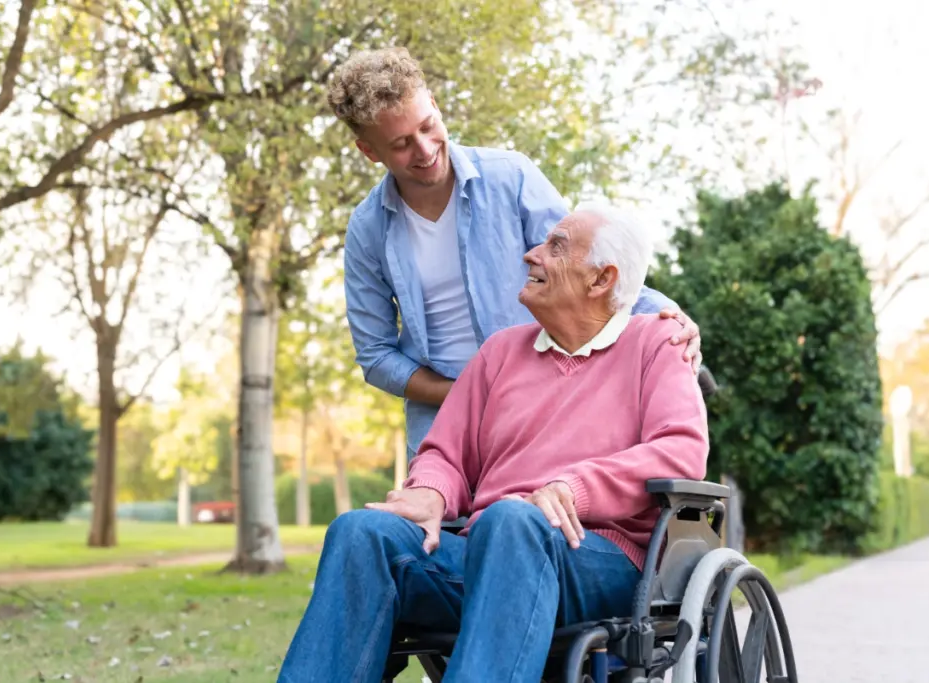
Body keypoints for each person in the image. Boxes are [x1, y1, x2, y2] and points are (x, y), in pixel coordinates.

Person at [276, 203, 710, 682]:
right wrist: (431, 491)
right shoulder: (500, 352)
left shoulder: (656, 342)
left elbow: (680, 449)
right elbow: (447, 454)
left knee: (511, 520)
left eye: (556, 247)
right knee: (362, 533)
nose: (531, 255)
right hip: (486, 549)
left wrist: (573, 488)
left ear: (600, 279)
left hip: (596, 556)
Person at [328, 46, 703, 460]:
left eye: (428, 125)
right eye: (401, 144)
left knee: (525, 519)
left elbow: (583, 269)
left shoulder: (511, 178)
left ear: (434, 105)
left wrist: (669, 316)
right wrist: (466, 395)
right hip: (443, 418)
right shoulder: (367, 231)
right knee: (436, 521)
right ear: (370, 151)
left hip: (539, 402)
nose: (424, 149)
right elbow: (377, 356)